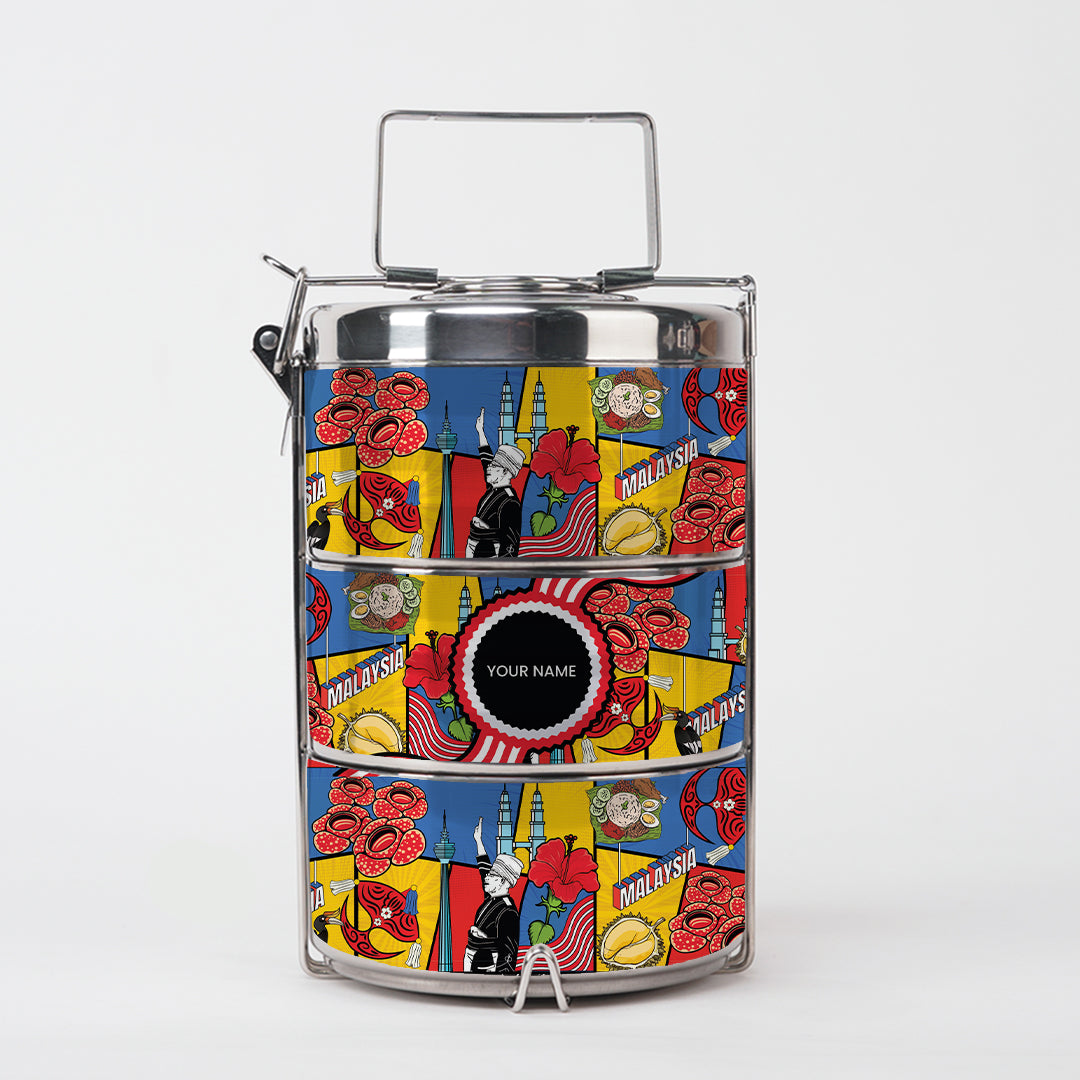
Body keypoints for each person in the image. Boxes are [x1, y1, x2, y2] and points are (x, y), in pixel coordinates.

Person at [463, 817, 523, 975]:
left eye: (492, 875)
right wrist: (479, 841)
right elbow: (484, 869)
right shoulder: (491, 899)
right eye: (489, 874)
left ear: (503, 881)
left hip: (489, 972)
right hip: (474, 965)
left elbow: (508, 949)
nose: (487, 878)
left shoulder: (507, 912)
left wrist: (502, 978)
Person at [466, 408, 525, 558]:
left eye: (494, 466)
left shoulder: (510, 502)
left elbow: (511, 541)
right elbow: (486, 459)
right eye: (491, 465)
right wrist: (480, 432)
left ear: (506, 472)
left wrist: (502, 566)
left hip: (489, 558)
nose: (489, 468)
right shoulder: (494, 489)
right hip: (475, 554)